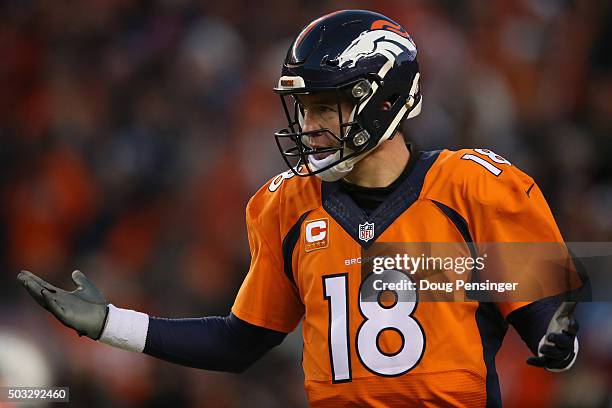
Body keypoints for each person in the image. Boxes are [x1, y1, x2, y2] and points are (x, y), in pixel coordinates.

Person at [18, 10, 580, 407]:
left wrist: (556, 335)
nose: (309, 126)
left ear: (385, 99)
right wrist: (111, 324)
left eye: (328, 106)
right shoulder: (286, 205)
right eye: (303, 108)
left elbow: (545, 319)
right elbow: (241, 342)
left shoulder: (474, 186)